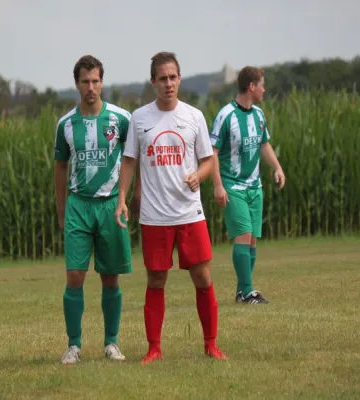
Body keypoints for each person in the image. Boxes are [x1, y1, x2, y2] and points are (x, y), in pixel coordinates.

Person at [115, 51, 228, 364]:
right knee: (156, 281)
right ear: (153, 82)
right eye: (162, 78)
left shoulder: (194, 116)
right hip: (155, 217)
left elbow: (208, 160)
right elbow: (128, 162)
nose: (168, 83)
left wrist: (199, 176)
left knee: (203, 279)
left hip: (190, 214)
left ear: (180, 79)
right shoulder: (139, 118)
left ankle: (211, 345)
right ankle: (154, 349)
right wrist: (122, 197)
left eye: (173, 77)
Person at [54, 55, 134, 365]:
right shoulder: (65, 124)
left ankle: (111, 342)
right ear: (77, 84)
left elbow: (131, 159)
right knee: (75, 275)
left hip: (111, 205)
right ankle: (73, 345)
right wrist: (61, 211)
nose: (91, 87)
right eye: (86, 81)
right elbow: (60, 167)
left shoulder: (120, 119)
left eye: (96, 81)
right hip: (78, 205)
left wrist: (129, 196)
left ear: (102, 82)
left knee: (110, 277)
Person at [209, 66, 285, 304]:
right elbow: (212, 153)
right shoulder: (226, 115)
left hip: (255, 187)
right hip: (233, 187)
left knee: (252, 240)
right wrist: (218, 186)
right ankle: (248, 291)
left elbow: (264, 144)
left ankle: (243, 292)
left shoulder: (259, 115)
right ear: (251, 86)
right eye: (262, 84)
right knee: (243, 236)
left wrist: (277, 167)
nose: (264, 89)